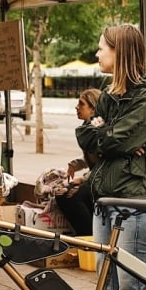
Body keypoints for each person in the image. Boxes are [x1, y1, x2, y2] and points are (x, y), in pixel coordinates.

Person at [75, 24, 146, 290]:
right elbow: (86, 135)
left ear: (120, 52)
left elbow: (116, 139)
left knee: (131, 287)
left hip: (135, 203)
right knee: (110, 288)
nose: (97, 53)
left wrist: (108, 136)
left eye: (102, 47)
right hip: (104, 202)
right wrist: (111, 137)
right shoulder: (106, 95)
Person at [55, 88, 101, 236]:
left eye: (81, 104)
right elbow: (92, 156)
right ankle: (81, 235)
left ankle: (89, 238)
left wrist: (83, 179)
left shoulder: (99, 130)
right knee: (61, 194)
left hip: (104, 181)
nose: (77, 107)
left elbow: (104, 163)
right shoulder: (88, 129)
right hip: (95, 178)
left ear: (93, 109)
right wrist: (75, 164)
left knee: (74, 195)